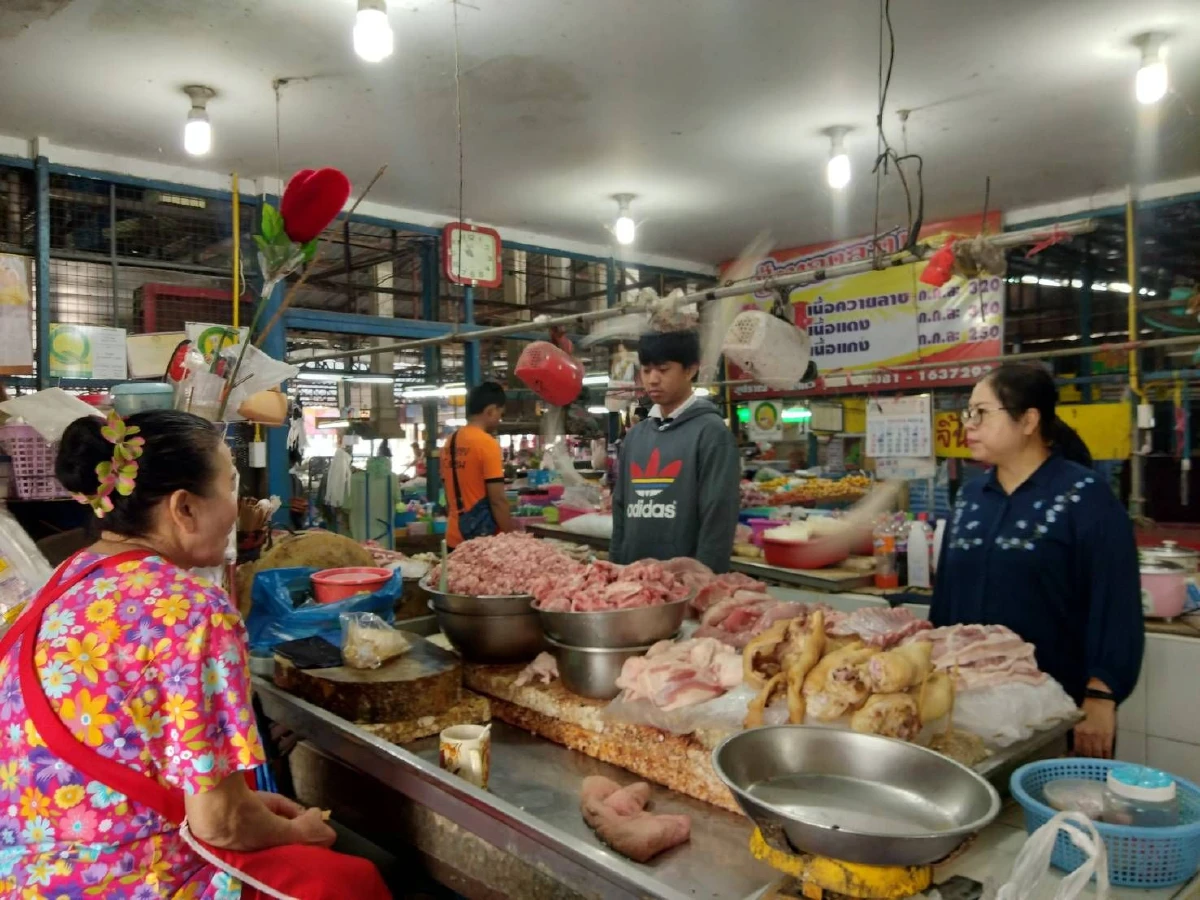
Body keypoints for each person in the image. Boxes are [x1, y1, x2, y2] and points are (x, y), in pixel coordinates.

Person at [0, 409, 390, 898]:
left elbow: (142, 762)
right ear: (184, 508)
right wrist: (297, 831)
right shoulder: (188, 609)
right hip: (129, 880)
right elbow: (219, 826)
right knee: (350, 881)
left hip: (28, 876)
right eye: (229, 486)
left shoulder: (63, 581)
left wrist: (247, 806)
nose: (236, 508)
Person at [930, 363, 1143, 759]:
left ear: (1028, 420)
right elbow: (946, 596)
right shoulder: (972, 496)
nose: (968, 425)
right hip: (967, 708)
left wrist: (1101, 695)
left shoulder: (1085, 496)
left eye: (981, 412)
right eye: (967, 413)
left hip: (1055, 711)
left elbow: (1116, 603)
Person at [611, 330, 740, 573]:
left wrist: (705, 582)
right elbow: (620, 509)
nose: (653, 379)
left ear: (690, 370)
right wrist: (616, 570)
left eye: (663, 369)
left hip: (684, 585)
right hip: (633, 582)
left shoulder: (712, 434)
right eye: (646, 370)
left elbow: (719, 516)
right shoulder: (636, 437)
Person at [441, 381, 513, 548]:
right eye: (499, 414)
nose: (499, 420)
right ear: (490, 410)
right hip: (481, 540)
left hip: (453, 536)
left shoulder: (450, 442)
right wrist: (512, 536)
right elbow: (498, 500)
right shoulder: (487, 444)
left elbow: (447, 493)